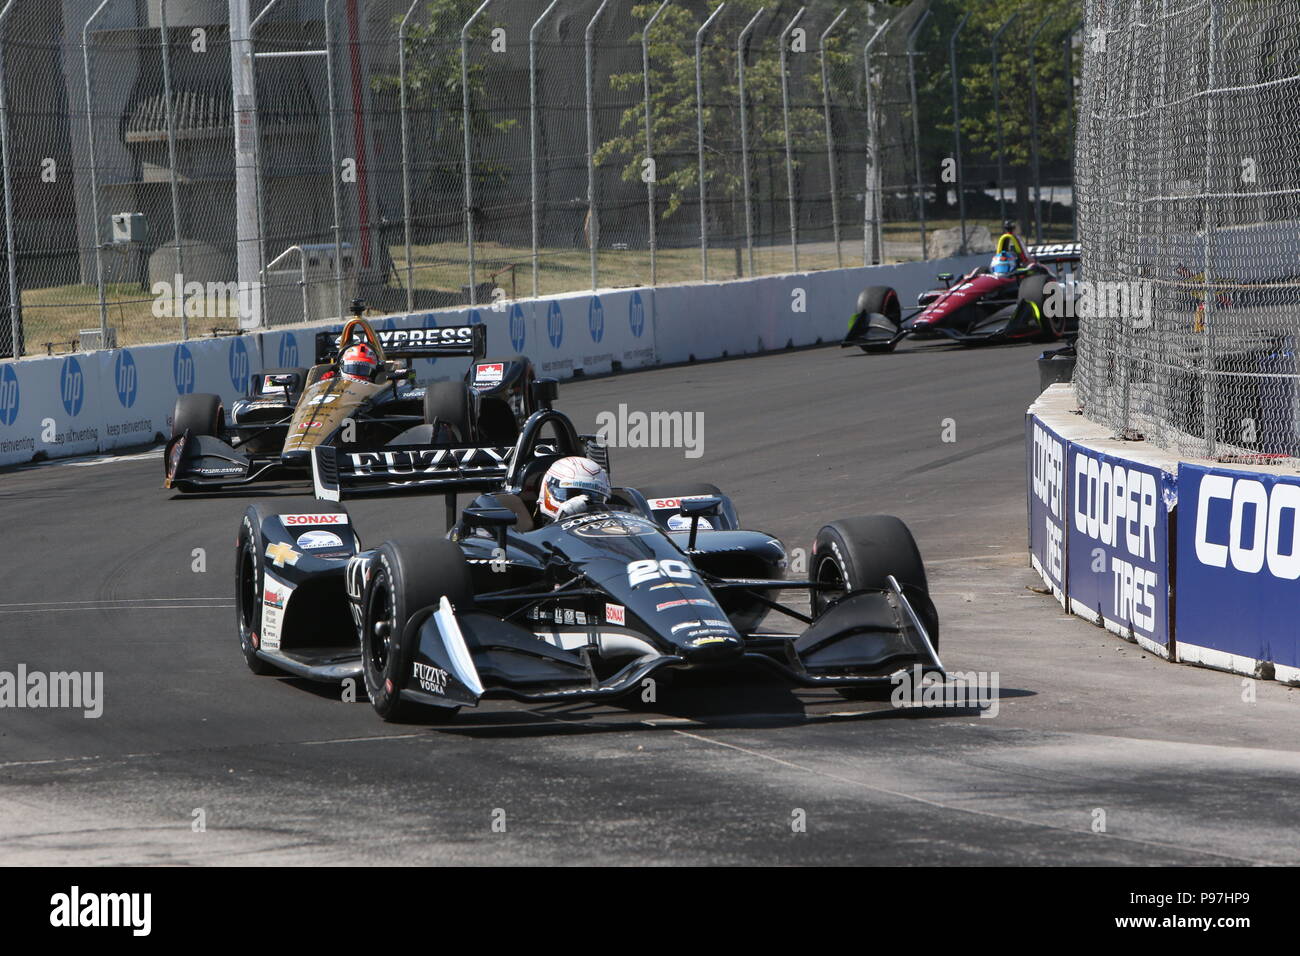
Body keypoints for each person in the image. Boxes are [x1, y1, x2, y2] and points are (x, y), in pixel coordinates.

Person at [536, 456, 612, 523]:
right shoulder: (527, 525)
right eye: (571, 494)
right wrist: (562, 518)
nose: (582, 502)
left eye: (592, 496)